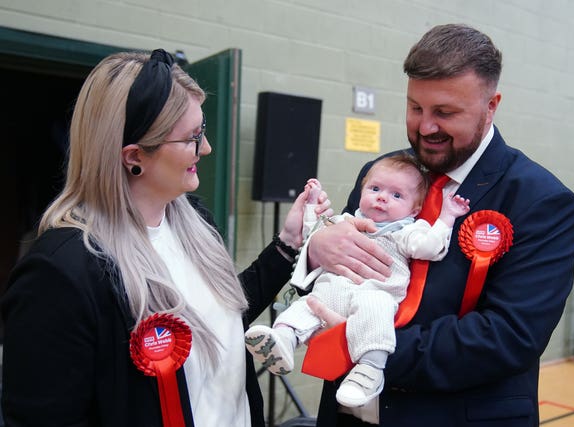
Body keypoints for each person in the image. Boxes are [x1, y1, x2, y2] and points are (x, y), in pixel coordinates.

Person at [0, 49, 331, 427]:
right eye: (193, 137)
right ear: (134, 156)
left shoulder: (193, 221)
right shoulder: (61, 272)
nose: (205, 148)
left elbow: (219, 319)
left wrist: (289, 244)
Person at [299, 24, 574, 426]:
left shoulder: (541, 200)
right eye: (415, 108)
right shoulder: (384, 175)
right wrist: (315, 251)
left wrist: (368, 345)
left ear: (491, 105)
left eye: (445, 113)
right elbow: (336, 280)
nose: (426, 127)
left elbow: (508, 337)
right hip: (347, 411)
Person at [245, 154, 470, 408]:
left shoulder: (407, 230)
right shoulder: (346, 222)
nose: (383, 197)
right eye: (375, 189)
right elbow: (314, 232)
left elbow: (430, 247)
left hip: (374, 293)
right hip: (335, 290)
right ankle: (283, 339)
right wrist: (312, 203)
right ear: (362, 191)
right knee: (308, 305)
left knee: (376, 311)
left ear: (415, 209)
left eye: (397, 196)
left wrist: (447, 217)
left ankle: (369, 370)